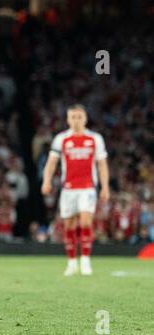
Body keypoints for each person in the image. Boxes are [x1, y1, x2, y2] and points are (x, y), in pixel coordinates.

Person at [41, 104, 109, 277]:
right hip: (68, 188)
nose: (76, 120)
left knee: (86, 221)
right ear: (67, 119)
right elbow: (51, 162)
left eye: (79, 117)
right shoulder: (61, 139)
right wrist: (46, 181)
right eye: (73, 117)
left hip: (87, 187)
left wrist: (105, 187)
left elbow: (102, 165)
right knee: (69, 226)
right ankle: (72, 262)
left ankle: (85, 260)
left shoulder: (95, 138)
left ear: (85, 118)